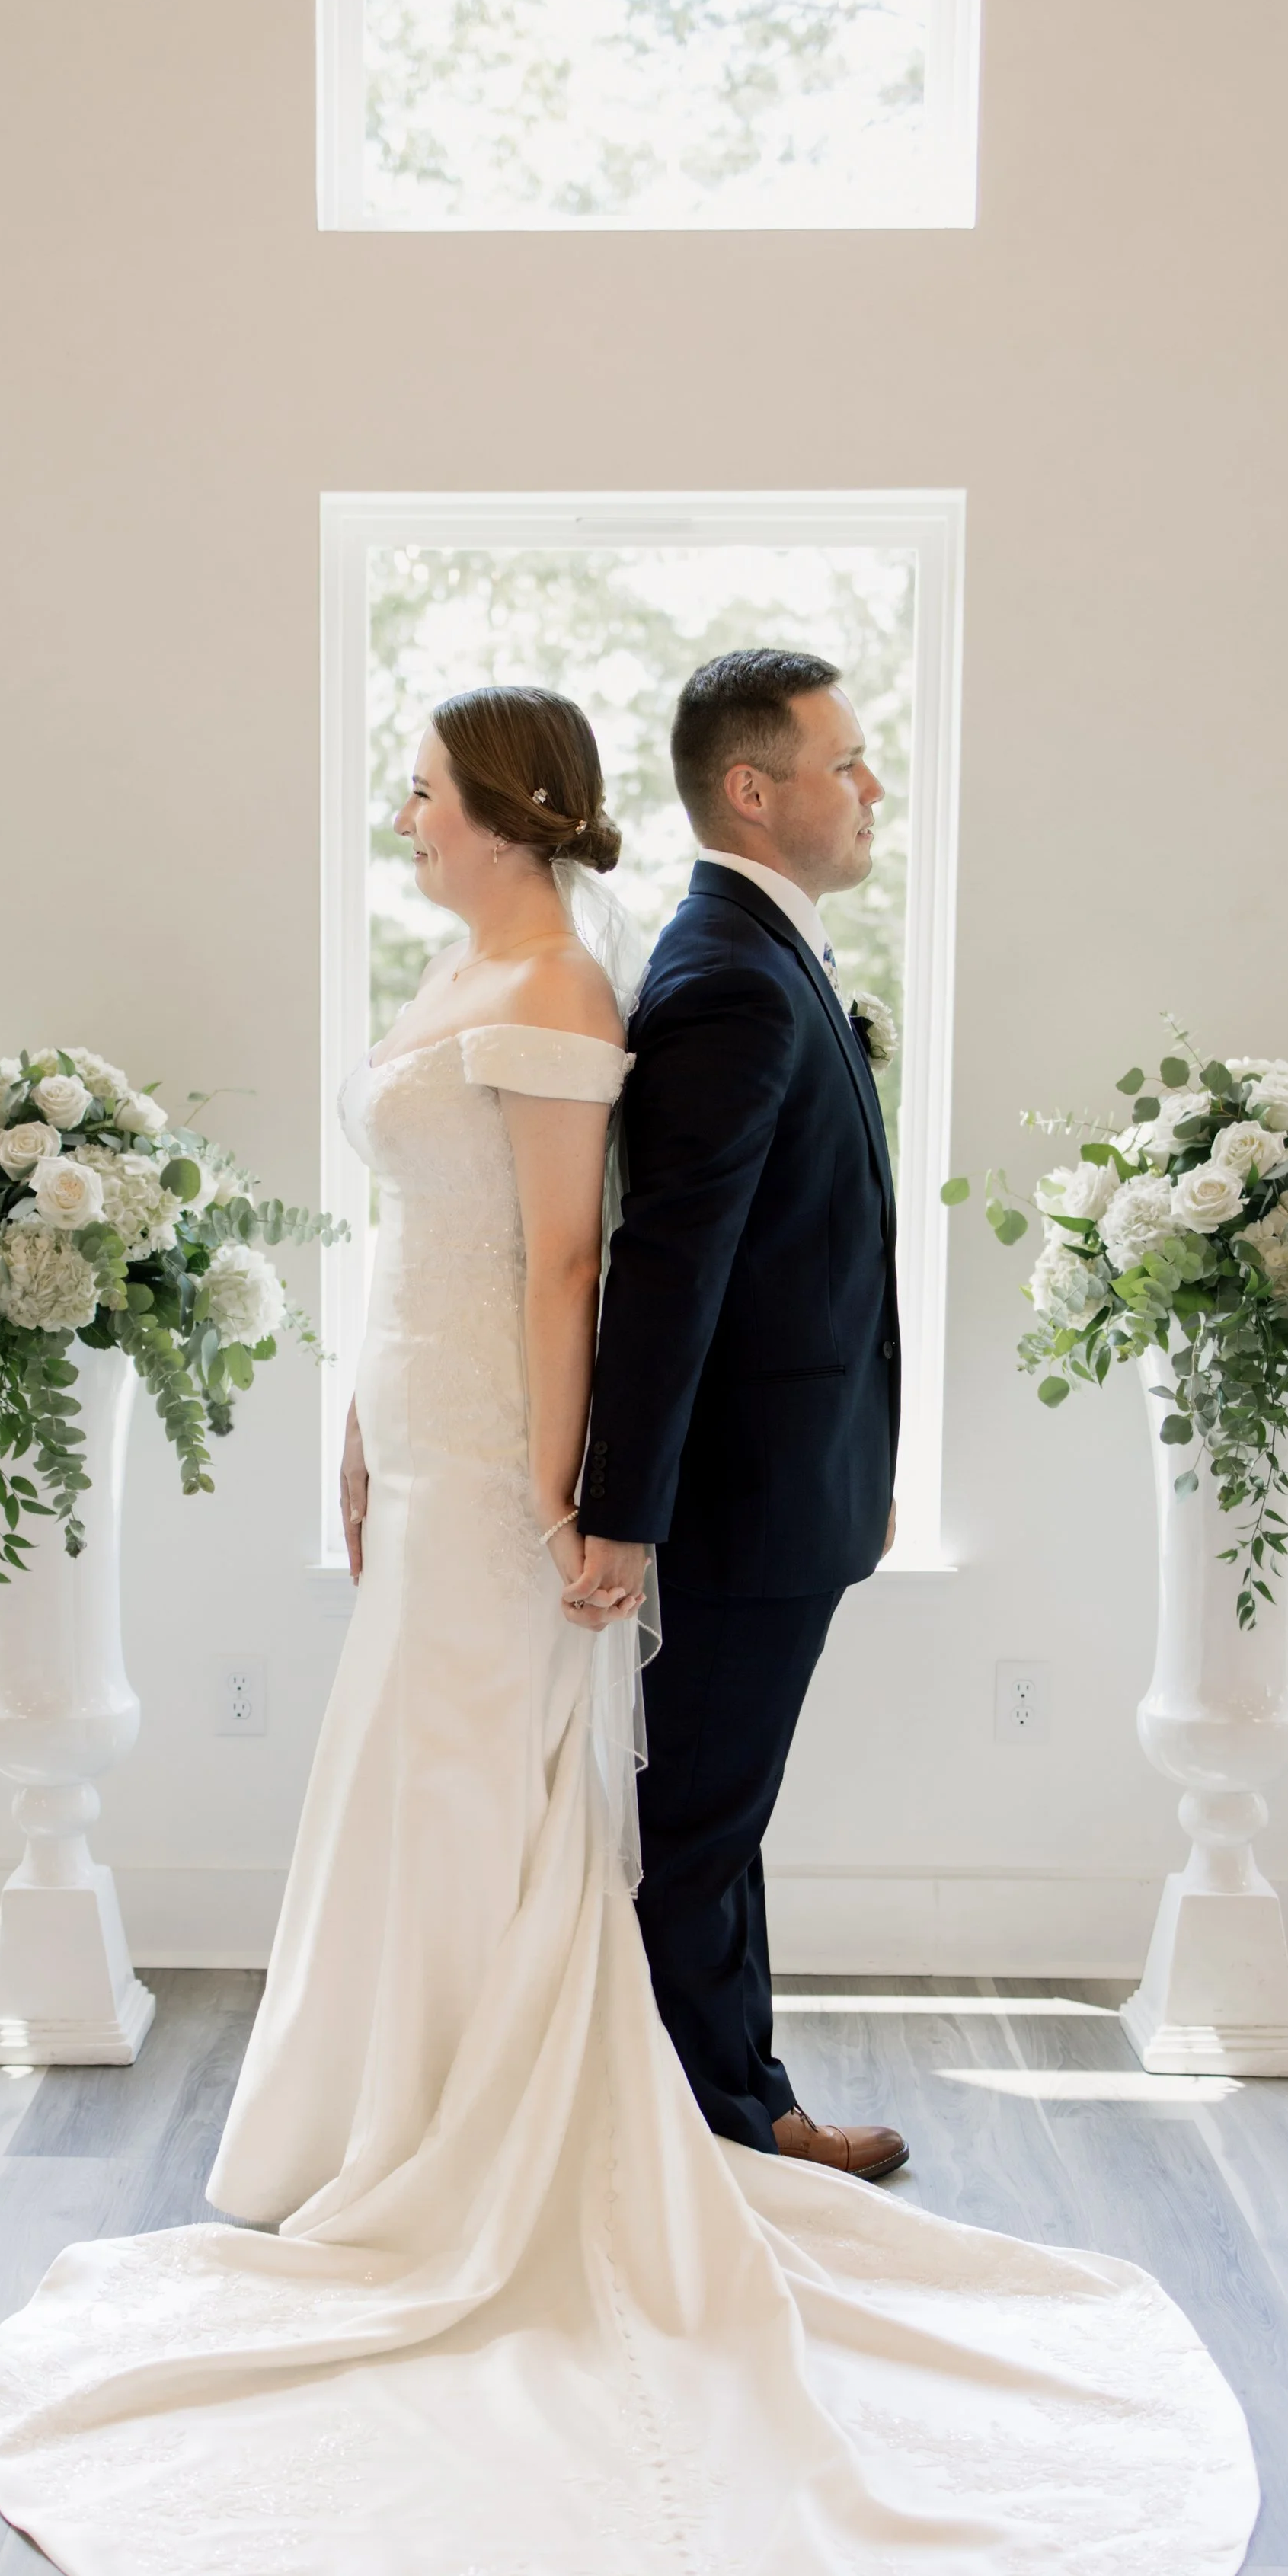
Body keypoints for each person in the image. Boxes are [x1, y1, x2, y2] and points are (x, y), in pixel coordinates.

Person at [0, 683, 1257, 2576]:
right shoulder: (542, 963)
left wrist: (582, 1500)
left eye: (417, 785)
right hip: (451, 1435)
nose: (397, 809)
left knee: (534, 1799)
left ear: (501, 807)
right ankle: (420, 2112)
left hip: (521, 1469)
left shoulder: (599, 978)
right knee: (448, 1792)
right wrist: (382, 1414)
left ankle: (603, 2125)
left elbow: (590, 1250)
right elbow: (461, 1234)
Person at [577, 647, 908, 2173]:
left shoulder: (765, 956)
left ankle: (738, 2102)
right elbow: (669, 1269)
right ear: (750, 788)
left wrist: (862, 1456)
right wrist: (622, 1512)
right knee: (697, 1830)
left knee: (721, 1818)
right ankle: (713, 2142)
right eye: (845, 762)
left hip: (791, 1482)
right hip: (729, 1503)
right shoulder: (723, 976)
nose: (869, 789)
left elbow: (799, 1261)